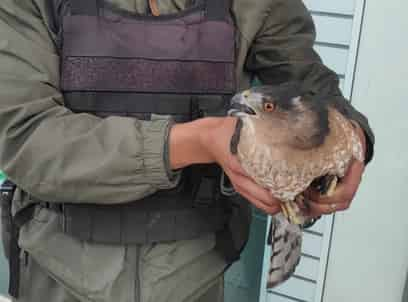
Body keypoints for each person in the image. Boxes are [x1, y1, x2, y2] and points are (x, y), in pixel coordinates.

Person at [0, 0, 374, 301]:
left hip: (197, 272)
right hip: (59, 274)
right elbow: (22, 132)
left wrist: (349, 139)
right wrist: (193, 142)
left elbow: (309, 87)